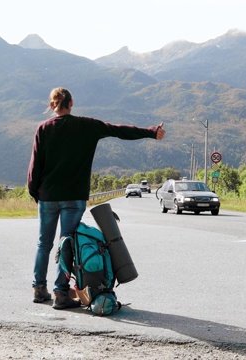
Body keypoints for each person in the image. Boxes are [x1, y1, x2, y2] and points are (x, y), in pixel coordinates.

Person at [27, 87, 166, 309]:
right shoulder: (87, 126)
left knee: (43, 243)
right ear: (71, 104)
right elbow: (119, 130)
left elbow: (35, 166)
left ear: (52, 105)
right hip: (74, 197)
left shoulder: (43, 129)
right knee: (67, 245)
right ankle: (61, 294)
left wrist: (35, 192)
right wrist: (150, 132)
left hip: (48, 196)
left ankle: (38, 289)